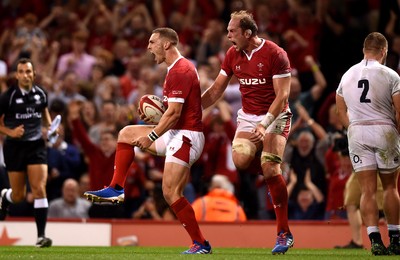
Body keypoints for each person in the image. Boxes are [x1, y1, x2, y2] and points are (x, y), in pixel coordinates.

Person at [83, 28, 212, 254]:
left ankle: (200, 243)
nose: (148, 47)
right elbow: (171, 113)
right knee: (125, 134)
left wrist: (151, 135)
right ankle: (116, 188)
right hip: (176, 132)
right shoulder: (175, 69)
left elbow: (173, 114)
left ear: (166, 45)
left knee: (171, 193)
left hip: (186, 137)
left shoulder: (180, 70)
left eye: (152, 42)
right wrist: (155, 116)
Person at [201, 10, 293, 254]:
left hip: (276, 115)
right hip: (248, 116)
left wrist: (264, 126)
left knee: (270, 166)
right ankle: (272, 171)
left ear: (247, 33)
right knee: (240, 161)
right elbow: (215, 90)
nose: (228, 35)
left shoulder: (276, 54)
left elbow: (282, 96)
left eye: (232, 31)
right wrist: (190, 109)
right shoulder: (232, 54)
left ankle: (283, 232)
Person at [336, 32, 400, 256]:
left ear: (364, 50)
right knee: (391, 187)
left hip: (358, 131)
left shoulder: (347, 75)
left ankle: (374, 239)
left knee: (367, 190)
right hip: (384, 129)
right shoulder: (391, 75)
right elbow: (399, 110)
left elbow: (340, 109)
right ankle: (395, 239)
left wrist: (350, 128)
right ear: (383, 51)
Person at [0, 58, 53, 247]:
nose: (25, 75)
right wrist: (11, 132)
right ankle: (4, 196)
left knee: (39, 188)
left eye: (28, 71)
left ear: (34, 74)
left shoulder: (41, 94)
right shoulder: (8, 97)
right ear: (16, 75)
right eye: (21, 71)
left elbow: (45, 117)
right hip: (14, 147)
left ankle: (41, 237)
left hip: (36, 145)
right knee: (18, 196)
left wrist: (51, 129)